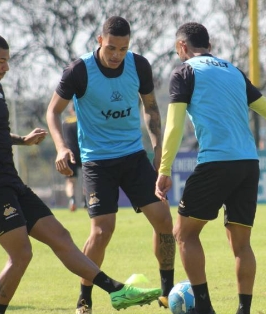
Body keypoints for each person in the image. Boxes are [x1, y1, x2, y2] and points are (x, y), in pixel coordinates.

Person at [0, 31, 161, 314]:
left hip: (11, 181)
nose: (7, 67)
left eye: (8, 60)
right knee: (22, 254)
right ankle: (116, 290)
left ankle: (116, 291)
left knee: (60, 236)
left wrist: (21, 140)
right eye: (1, 61)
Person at [155, 22, 266, 314]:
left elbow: (174, 126)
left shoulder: (184, 71)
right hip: (248, 164)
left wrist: (164, 169)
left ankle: (203, 308)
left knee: (184, 233)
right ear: (209, 44)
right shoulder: (233, 71)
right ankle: (243, 310)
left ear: (182, 46)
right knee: (241, 243)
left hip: (216, 163)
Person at [46, 16, 175, 314]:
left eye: (124, 48)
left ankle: (167, 292)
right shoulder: (79, 71)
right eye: (112, 47)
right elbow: (53, 112)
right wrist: (62, 147)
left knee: (164, 221)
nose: (117, 54)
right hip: (96, 161)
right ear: (100, 41)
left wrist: (157, 149)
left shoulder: (139, 66)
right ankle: (84, 297)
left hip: (133, 156)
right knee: (102, 231)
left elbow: (152, 109)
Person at [62, 103, 86, 211]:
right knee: (87, 178)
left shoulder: (65, 122)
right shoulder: (82, 121)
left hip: (69, 153)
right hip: (83, 152)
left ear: (71, 111)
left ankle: (72, 200)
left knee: (71, 180)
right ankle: (86, 201)